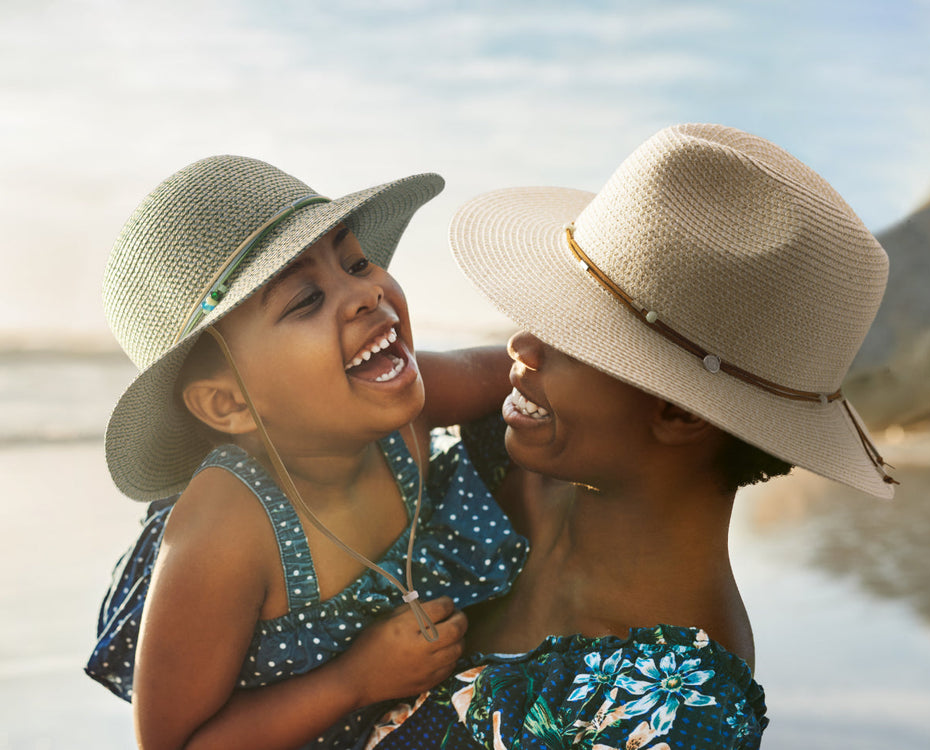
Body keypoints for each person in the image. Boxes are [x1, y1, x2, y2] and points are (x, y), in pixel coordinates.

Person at [364, 123, 898, 749]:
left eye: (576, 335)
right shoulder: (509, 440)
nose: (520, 345)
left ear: (679, 413)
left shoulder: (674, 718)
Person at [86, 155, 532, 750]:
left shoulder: (403, 408)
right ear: (229, 403)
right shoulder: (226, 527)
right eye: (305, 300)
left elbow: (533, 371)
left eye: (355, 262)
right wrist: (353, 682)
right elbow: (172, 745)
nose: (365, 293)